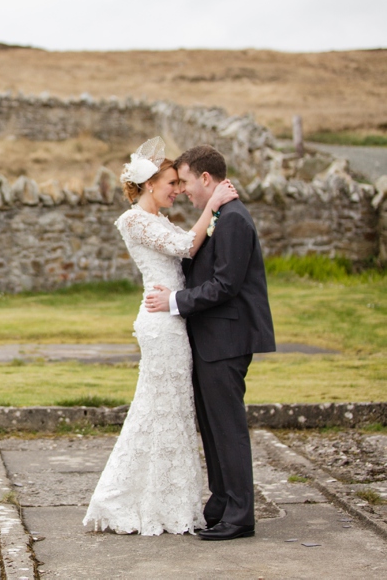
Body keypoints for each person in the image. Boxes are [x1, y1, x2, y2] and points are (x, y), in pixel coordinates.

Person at [83, 137, 238, 536]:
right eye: (172, 183)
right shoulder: (134, 219)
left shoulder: (160, 220)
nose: (178, 190)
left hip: (173, 318)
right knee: (161, 410)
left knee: (169, 411)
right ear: (149, 185)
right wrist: (212, 205)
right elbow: (188, 247)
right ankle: (141, 501)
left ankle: (167, 498)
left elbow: (191, 245)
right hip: (161, 325)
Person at [145, 145, 276, 541]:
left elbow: (226, 285)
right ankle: (221, 504)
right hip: (210, 338)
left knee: (228, 428)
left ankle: (240, 515)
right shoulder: (219, 214)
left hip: (228, 337)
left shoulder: (233, 218)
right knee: (213, 426)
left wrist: (173, 302)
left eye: (184, 181)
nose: (181, 189)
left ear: (205, 178)